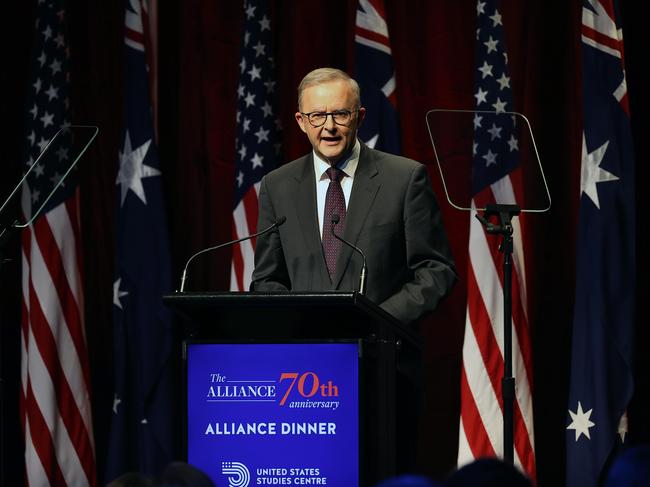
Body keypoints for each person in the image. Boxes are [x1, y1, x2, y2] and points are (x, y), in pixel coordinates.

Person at [251, 67, 456, 325]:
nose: (329, 127)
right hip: (308, 354)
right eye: (317, 116)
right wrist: (301, 324)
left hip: (381, 349)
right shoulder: (277, 186)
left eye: (340, 114)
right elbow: (267, 279)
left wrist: (375, 320)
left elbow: (436, 270)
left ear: (359, 117)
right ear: (301, 122)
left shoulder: (405, 178)